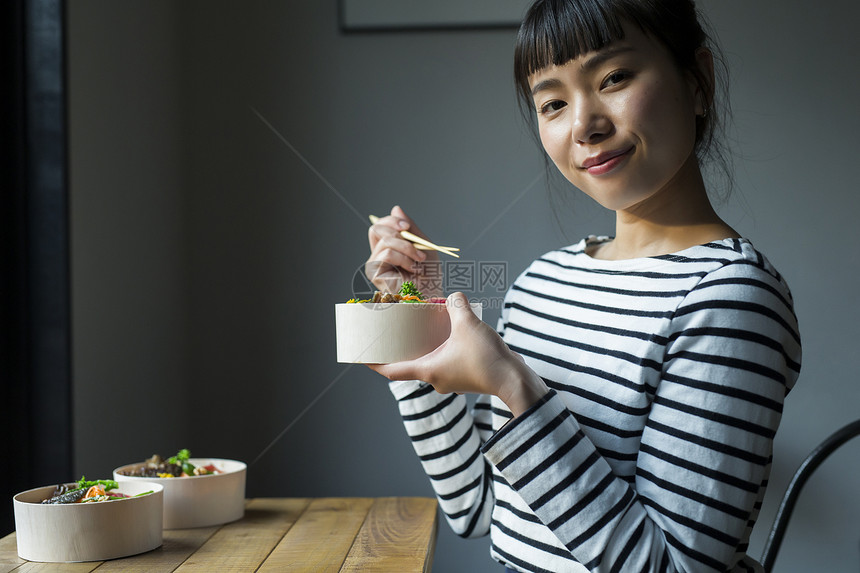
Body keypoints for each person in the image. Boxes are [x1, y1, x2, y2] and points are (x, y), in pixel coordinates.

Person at [363, 0, 801, 571]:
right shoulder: (542, 281)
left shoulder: (732, 299)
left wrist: (515, 386)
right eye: (552, 103)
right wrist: (416, 323)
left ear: (698, 81)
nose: (584, 125)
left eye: (614, 77)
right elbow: (475, 507)